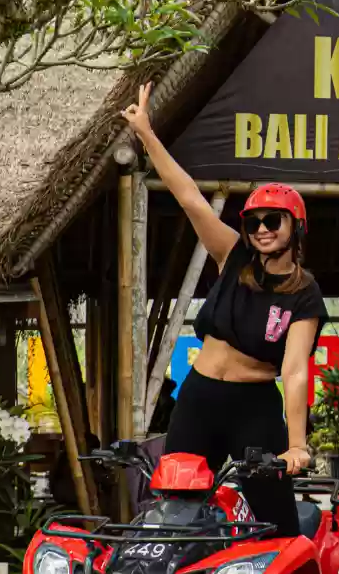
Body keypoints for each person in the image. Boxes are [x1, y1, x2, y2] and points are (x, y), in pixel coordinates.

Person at [121, 83, 326, 538]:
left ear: (296, 227)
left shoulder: (304, 293)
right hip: (199, 398)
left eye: (273, 220)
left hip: (254, 408)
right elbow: (189, 197)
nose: (262, 229)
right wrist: (147, 133)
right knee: (175, 513)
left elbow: (295, 370)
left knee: (276, 525)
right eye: (254, 222)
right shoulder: (234, 256)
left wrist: (297, 445)